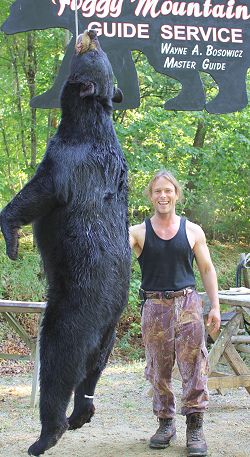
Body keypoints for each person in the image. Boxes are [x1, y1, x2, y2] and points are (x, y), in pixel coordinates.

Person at [129, 170, 220, 457]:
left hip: (188, 305)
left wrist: (215, 306)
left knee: (195, 366)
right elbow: (115, 261)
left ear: (176, 194)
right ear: (150, 196)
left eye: (168, 190)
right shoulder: (136, 232)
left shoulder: (193, 230)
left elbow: (206, 269)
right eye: (157, 191)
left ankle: (195, 427)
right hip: (154, 307)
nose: (163, 196)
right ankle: (165, 424)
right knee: (159, 368)